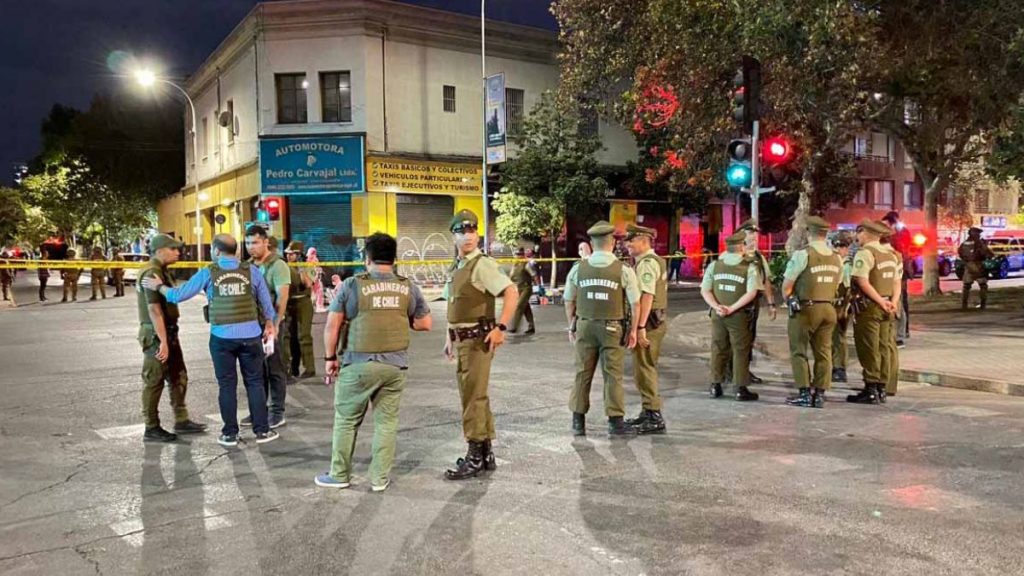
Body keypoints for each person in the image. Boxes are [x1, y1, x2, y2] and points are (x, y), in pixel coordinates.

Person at [315, 232, 432, 491]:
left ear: (367, 258)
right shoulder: (407, 286)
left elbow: (332, 326)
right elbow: (425, 323)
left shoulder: (352, 285)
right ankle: (379, 479)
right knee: (386, 423)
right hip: (394, 366)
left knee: (346, 420)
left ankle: (339, 474)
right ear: (394, 258)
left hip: (357, 363)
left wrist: (330, 358)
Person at [143, 233, 280, 447]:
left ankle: (230, 434)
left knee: (227, 385)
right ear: (235, 251)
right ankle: (262, 431)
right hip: (251, 337)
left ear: (215, 251)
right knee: (255, 383)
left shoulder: (209, 272)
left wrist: (159, 286)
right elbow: (266, 303)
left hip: (222, 339)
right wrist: (270, 325)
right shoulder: (251, 270)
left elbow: (177, 295)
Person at [442, 209, 519, 480]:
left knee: (472, 398)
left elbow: (511, 291)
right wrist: (449, 337)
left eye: (472, 231)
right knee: (477, 396)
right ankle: (485, 453)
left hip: (477, 340)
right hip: (463, 340)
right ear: (453, 236)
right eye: (462, 232)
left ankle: (474, 456)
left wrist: (501, 327)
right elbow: (455, 306)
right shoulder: (458, 266)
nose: (468, 237)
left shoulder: (481, 264)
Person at [565, 221, 641, 436]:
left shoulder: (578, 268)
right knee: (613, 375)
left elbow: (569, 300)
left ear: (591, 242)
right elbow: (635, 304)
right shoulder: (623, 269)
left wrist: (572, 325)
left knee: (582, 372)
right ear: (613, 242)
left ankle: (578, 421)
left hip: (585, 325)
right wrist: (634, 330)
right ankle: (615, 422)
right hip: (612, 328)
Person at [135, 234, 207, 442]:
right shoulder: (151, 272)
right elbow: (154, 310)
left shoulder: (161, 271)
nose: (178, 252)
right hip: (157, 334)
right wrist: (163, 341)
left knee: (178, 376)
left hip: (168, 332)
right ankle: (151, 427)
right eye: (173, 249)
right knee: (154, 380)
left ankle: (181, 419)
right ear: (160, 251)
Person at [781, 217, 843, 408]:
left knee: (799, 351)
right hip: (828, 308)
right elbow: (838, 283)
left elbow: (787, 286)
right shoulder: (837, 257)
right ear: (825, 234)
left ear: (809, 232)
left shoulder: (803, 254)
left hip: (806, 309)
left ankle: (805, 393)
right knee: (824, 352)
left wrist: (789, 299)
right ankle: (820, 394)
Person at [702, 230, 763, 401]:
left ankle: (715, 385)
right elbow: (752, 292)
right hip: (738, 315)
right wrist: (731, 308)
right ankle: (740, 388)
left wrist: (717, 307)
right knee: (740, 350)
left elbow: (705, 289)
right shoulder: (749, 266)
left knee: (718, 348)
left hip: (717, 314)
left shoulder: (715, 265)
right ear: (741, 247)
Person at [847, 219, 899, 405]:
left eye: (859, 232)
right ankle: (881, 388)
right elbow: (896, 282)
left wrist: (879, 301)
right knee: (883, 347)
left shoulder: (866, 253)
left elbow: (862, 281)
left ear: (866, 233)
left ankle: (870, 389)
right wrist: (891, 302)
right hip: (887, 305)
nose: (857, 236)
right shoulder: (891, 255)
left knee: (869, 347)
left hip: (870, 307)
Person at [244, 227, 291, 429]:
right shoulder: (246, 266)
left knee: (275, 370)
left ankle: (277, 412)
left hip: (271, 324)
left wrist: (276, 325)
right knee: (256, 371)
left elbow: (282, 296)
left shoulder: (277, 265)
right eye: (247, 243)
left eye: (254, 243)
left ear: (265, 242)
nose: (250, 247)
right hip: (252, 325)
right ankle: (257, 410)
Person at [624, 224, 668, 433]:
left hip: (649, 323)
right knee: (642, 368)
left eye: (631, 241)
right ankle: (647, 411)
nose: (627, 245)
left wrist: (639, 327)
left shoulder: (647, 264)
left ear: (643, 240)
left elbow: (647, 296)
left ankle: (654, 416)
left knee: (645, 368)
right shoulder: (647, 261)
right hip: (651, 322)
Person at [729, 219, 777, 384]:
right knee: (733, 340)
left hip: (752, 305)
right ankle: (730, 372)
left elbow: (766, 281)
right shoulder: (732, 256)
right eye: (750, 235)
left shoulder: (758, 258)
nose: (753, 240)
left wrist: (771, 304)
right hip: (734, 303)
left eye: (755, 236)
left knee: (749, 338)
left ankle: (744, 371)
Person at [285, 240, 317, 378]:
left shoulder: (308, 266)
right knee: (291, 337)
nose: (288, 256)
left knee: (304, 336)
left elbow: (308, 283)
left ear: (298, 255)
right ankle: (294, 367)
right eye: (287, 254)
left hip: (303, 302)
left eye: (292, 254)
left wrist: (301, 267)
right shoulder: (285, 266)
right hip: (289, 302)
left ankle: (309, 368)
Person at [879, 228, 904, 398]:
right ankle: (890, 384)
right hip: (893, 301)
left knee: (883, 345)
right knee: (890, 345)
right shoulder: (896, 255)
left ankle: (882, 383)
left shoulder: (881, 255)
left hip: (882, 301)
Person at [882, 211, 911, 346]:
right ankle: (900, 332)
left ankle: (901, 333)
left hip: (899, 272)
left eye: (886, 225)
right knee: (899, 301)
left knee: (900, 302)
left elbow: (903, 253)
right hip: (894, 271)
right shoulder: (895, 235)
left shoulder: (899, 235)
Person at [830, 231, 855, 383]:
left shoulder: (846, 266)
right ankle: (835, 366)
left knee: (838, 337)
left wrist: (844, 309)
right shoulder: (839, 263)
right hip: (835, 305)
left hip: (840, 305)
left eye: (840, 246)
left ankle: (839, 368)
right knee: (833, 337)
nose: (838, 249)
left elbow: (848, 290)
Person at [958, 227, 993, 310]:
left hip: (968, 267)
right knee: (983, 285)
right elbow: (988, 254)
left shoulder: (964, 243)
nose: (979, 235)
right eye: (978, 234)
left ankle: (964, 305)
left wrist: (967, 260)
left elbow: (960, 253)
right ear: (976, 234)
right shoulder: (979, 243)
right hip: (979, 267)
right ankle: (983, 305)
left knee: (966, 286)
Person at [508, 247, 537, 334]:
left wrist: (539, 286)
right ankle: (531, 326)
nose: (517, 256)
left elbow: (534, 275)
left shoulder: (526, 264)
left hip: (526, 288)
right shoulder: (514, 265)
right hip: (517, 289)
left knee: (519, 306)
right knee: (526, 308)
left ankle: (514, 326)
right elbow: (511, 277)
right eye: (516, 254)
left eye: (520, 255)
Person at [307, 246, 327, 313]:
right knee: (311, 293)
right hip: (311, 279)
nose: (313, 254)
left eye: (314, 252)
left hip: (316, 279)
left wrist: (320, 272)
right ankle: (311, 307)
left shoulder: (315, 259)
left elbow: (318, 267)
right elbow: (309, 270)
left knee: (319, 291)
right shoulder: (307, 260)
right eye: (312, 253)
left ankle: (319, 306)